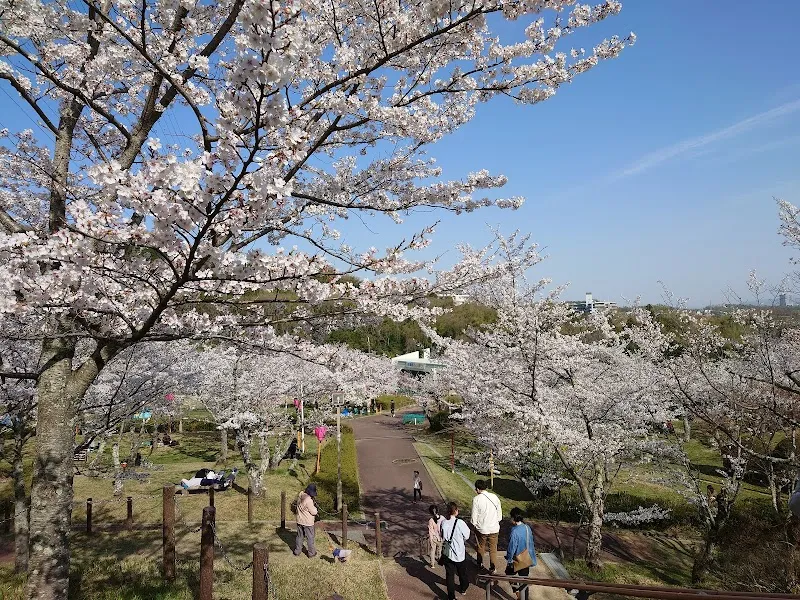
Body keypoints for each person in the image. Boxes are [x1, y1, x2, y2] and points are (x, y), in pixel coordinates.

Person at [440, 502, 471, 599]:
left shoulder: (444, 523)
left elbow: (442, 536)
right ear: (456, 511)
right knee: (462, 573)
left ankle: (451, 596)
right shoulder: (460, 523)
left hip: (448, 554)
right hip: (459, 553)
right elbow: (467, 535)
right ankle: (463, 588)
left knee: (449, 576)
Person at [471, 479, 502, 574]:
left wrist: (475, 525)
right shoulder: (494, 497)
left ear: (477, 489)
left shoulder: (476, 499)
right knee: (493, 549)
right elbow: (499, 515)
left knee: (481, 547)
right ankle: (493, 568)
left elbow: (474, 517)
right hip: (494, 528)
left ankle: (479, 564)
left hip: (482, 529)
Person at [505, 508, 536, 599]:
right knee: (524, 580)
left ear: (513, 518)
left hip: (517, 559)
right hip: (527, 558)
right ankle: (524, 598)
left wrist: (509, 560)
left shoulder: (514, 531)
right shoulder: (527, 527)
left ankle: (517, 592)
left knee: (509, 574)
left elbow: (511, 548)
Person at [294, 483, 319, 557]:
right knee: (310, 537)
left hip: (299, 520)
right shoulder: (309, 501)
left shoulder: (300, 495)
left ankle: (297, 551)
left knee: (299, 536)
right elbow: (314, 512)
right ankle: (311, 553)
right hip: (308, 522)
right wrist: (316, 508)